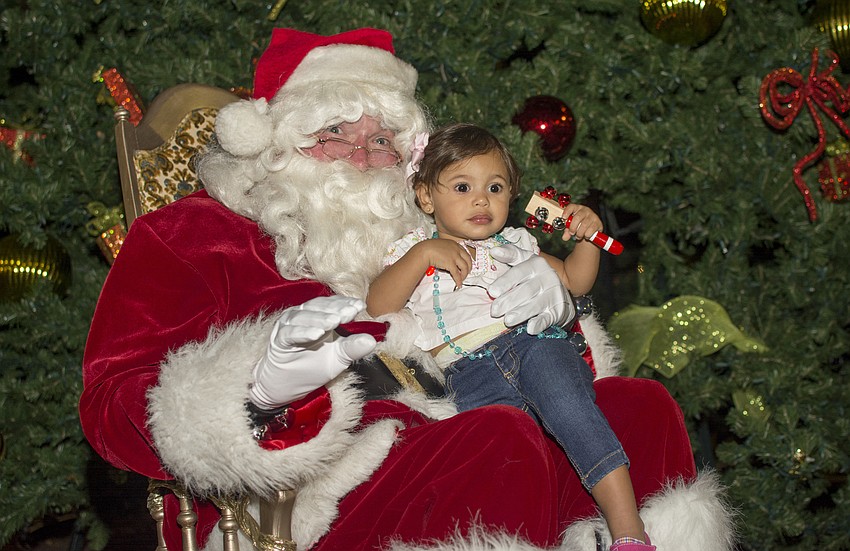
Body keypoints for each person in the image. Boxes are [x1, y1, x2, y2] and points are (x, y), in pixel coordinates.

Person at [79, 28, 731, 551]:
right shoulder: (193, 231)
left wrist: (551, 309)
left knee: (640, 409)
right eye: (335, 135)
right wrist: (256, 394)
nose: (364, 157)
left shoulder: (429, 229)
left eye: (384, 141)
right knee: (500, 440)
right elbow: (111, 400)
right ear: (276, 145)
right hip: (308, 495)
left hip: (471, 420)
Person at [367, 123, 652, 550]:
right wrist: (423, 254)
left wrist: (588, 239)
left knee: (574, 414)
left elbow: (575, 281)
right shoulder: (412, 249)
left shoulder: (518, 244)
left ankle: (629, 532)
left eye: (496, 188)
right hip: (466, 374)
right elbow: (377, 306)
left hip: (537, 345)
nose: (481, 199)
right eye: (462, 187)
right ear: (426, 196)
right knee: (502, 459)